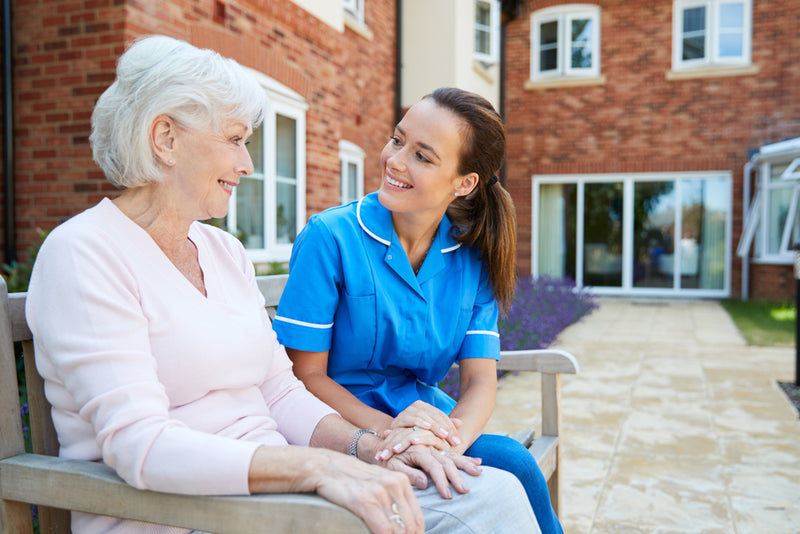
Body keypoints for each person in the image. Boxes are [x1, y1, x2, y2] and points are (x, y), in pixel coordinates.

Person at [24, 36, 540, 534]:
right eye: (234, 140)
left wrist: (366, 448)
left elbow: (279, 390)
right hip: (186, 515)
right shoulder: (85, 253)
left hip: (278, 491)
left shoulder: (222, 252)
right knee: (484, 507)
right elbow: (141, 445)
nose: (248, 164)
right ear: (166, 139)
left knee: (496, 492)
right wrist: (319, 469)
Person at [273, 87, 563, 534]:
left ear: (463, 183)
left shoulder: (472, 256)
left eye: (423, 157)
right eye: (397, 139)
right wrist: (393, 436)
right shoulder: (330, 237)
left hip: (424, 420)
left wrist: (446, 443)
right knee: (492, 480)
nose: (395, 160)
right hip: (336, 426)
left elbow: (481, 380)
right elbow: (304, 376)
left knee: (515, 465)